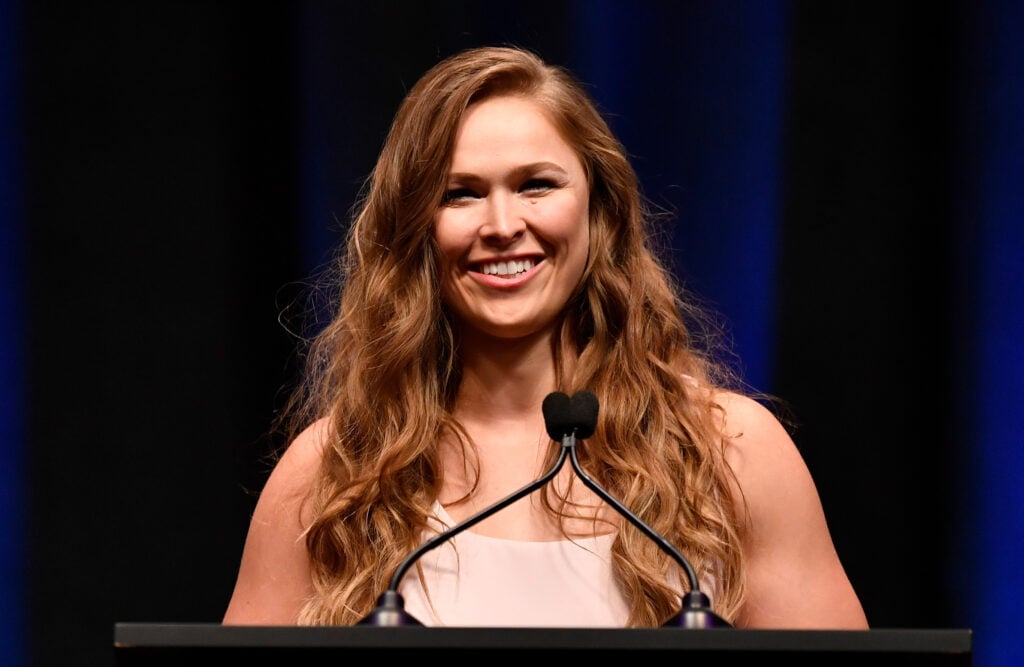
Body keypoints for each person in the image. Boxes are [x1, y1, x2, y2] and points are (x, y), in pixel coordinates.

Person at [222, 45, 868, 629]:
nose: (503, 224)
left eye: (536, 184)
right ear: (414, 230)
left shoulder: (732, 452)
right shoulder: (335, 470)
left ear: (600, 209)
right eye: (461, 194)